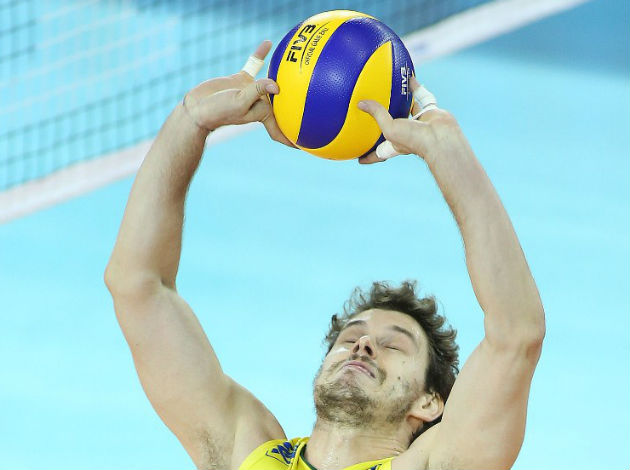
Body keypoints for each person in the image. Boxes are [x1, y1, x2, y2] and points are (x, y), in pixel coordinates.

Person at [105, 40, 545, 470]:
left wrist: (446, 151)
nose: (363, 346)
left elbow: (516, 335)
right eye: (350, 339)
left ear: (429, 402)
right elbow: (137, 285)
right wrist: (190, 121)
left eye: (393, 345)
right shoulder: (244, 452)